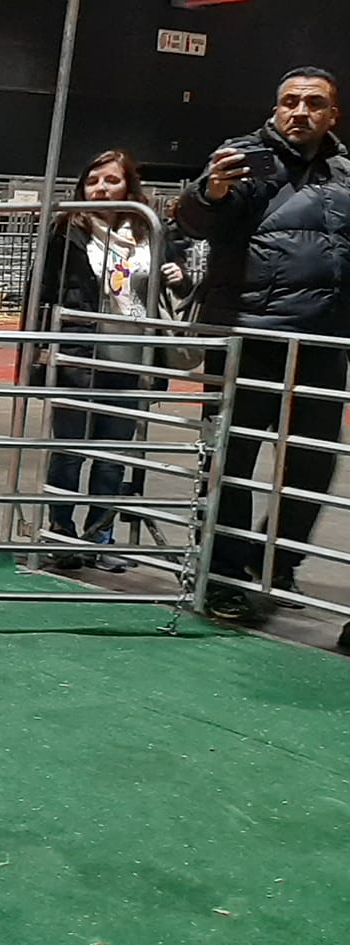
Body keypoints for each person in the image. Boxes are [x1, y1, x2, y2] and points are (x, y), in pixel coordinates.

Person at [176, 65, 350, 624]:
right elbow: (200, 219)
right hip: (247, 337)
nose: (300, 111)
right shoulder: (242, 155)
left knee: (312, 465)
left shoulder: (346, 172)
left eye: (313, 103)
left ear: (332, 114)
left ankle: (276, 558)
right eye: (290, 102)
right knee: (230, 460)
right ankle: (221, 575)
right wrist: (211, 190)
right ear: (276, 109)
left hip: (324, 340)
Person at [35, 149, 193, 572]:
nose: (101, 188)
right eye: (93, 181)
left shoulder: (152, 232)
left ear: (129, 185)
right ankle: (59, 534)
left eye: (111, 180)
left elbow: (177, 292)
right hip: (79, 358)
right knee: (69, 451)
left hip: (134, 359)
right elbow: (46, 292)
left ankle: (98, 538)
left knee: (113, 457)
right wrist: (38, 351)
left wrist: (181, 276)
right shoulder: (67, 231)